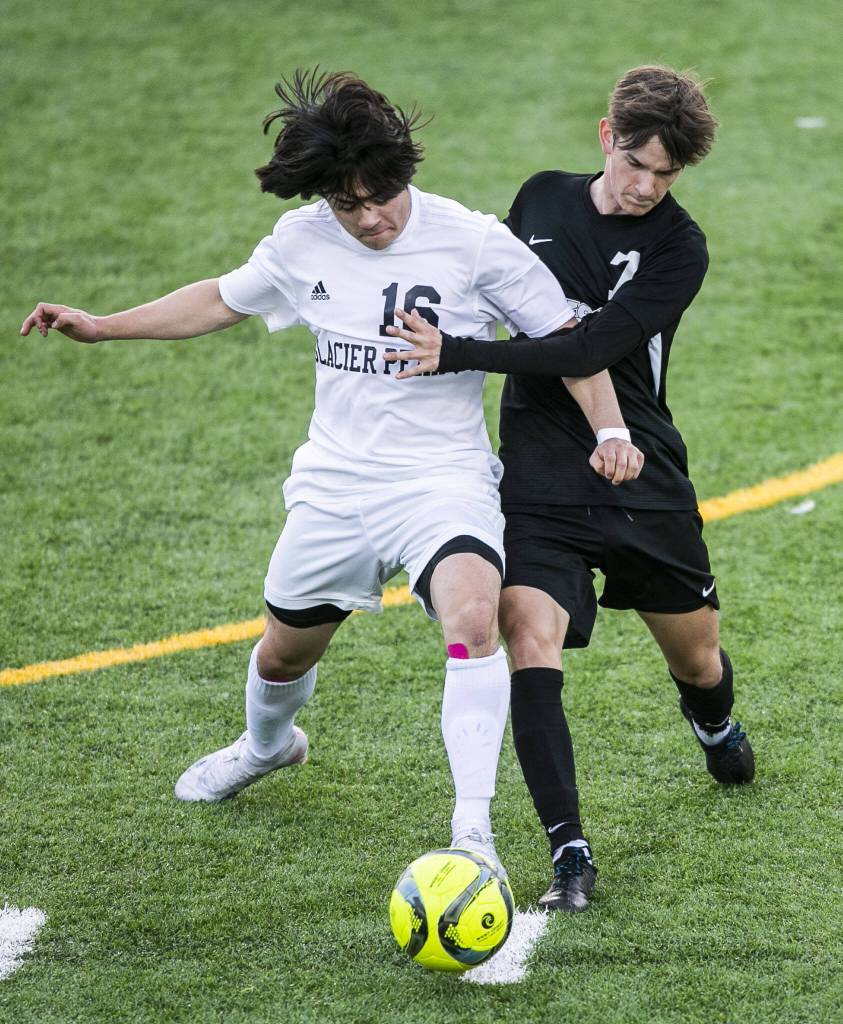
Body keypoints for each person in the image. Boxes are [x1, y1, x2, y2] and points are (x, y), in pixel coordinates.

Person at [20, 69, 644, 874]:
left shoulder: (472, 240)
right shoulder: (302, 241)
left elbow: (565, 339)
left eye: (381, 195)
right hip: (336, 487)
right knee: (282, 653)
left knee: (472, 619)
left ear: (402, 174)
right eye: (349, 204)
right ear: (323, 196)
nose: (372, 217)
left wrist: (610, 428)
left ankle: (472, 834)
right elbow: (221, 299)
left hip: (439, 481)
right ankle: (265, 746)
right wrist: (103, 327)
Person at [383, 65, 754, 907]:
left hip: (641, 472)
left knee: (697, 659)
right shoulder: (541, 200)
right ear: (604, 137)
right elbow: (494, 295)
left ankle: (713, 723)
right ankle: (569, 855)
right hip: (541, 473)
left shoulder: (678, 247)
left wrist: (460, 352)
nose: (643, 186)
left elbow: (582, 350)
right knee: (527, 637)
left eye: (664, 175)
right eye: (634, 163)